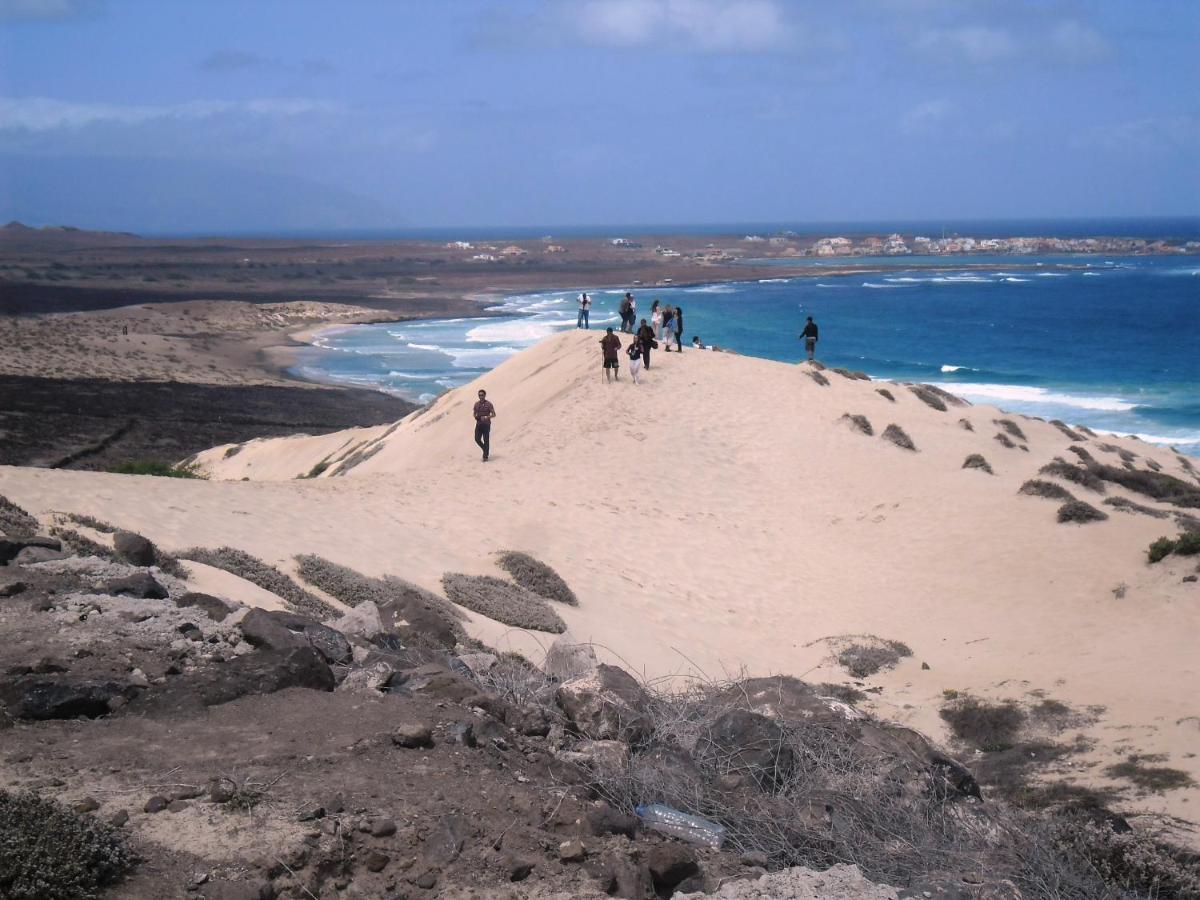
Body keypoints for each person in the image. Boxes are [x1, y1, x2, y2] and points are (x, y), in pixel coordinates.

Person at [472, 388, 495, 462]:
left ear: (485, 395)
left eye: (482, 395)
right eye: (479, 395)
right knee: (477, 439)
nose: (480, 396)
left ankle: (485, 456)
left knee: (486, 440)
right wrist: (475, 416)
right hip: (478, 424)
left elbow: (494, 414)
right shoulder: (476, 404)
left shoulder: (489, 404)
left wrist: (486, 417)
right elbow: (474, 413)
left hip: (486, 425)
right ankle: (485, 449)